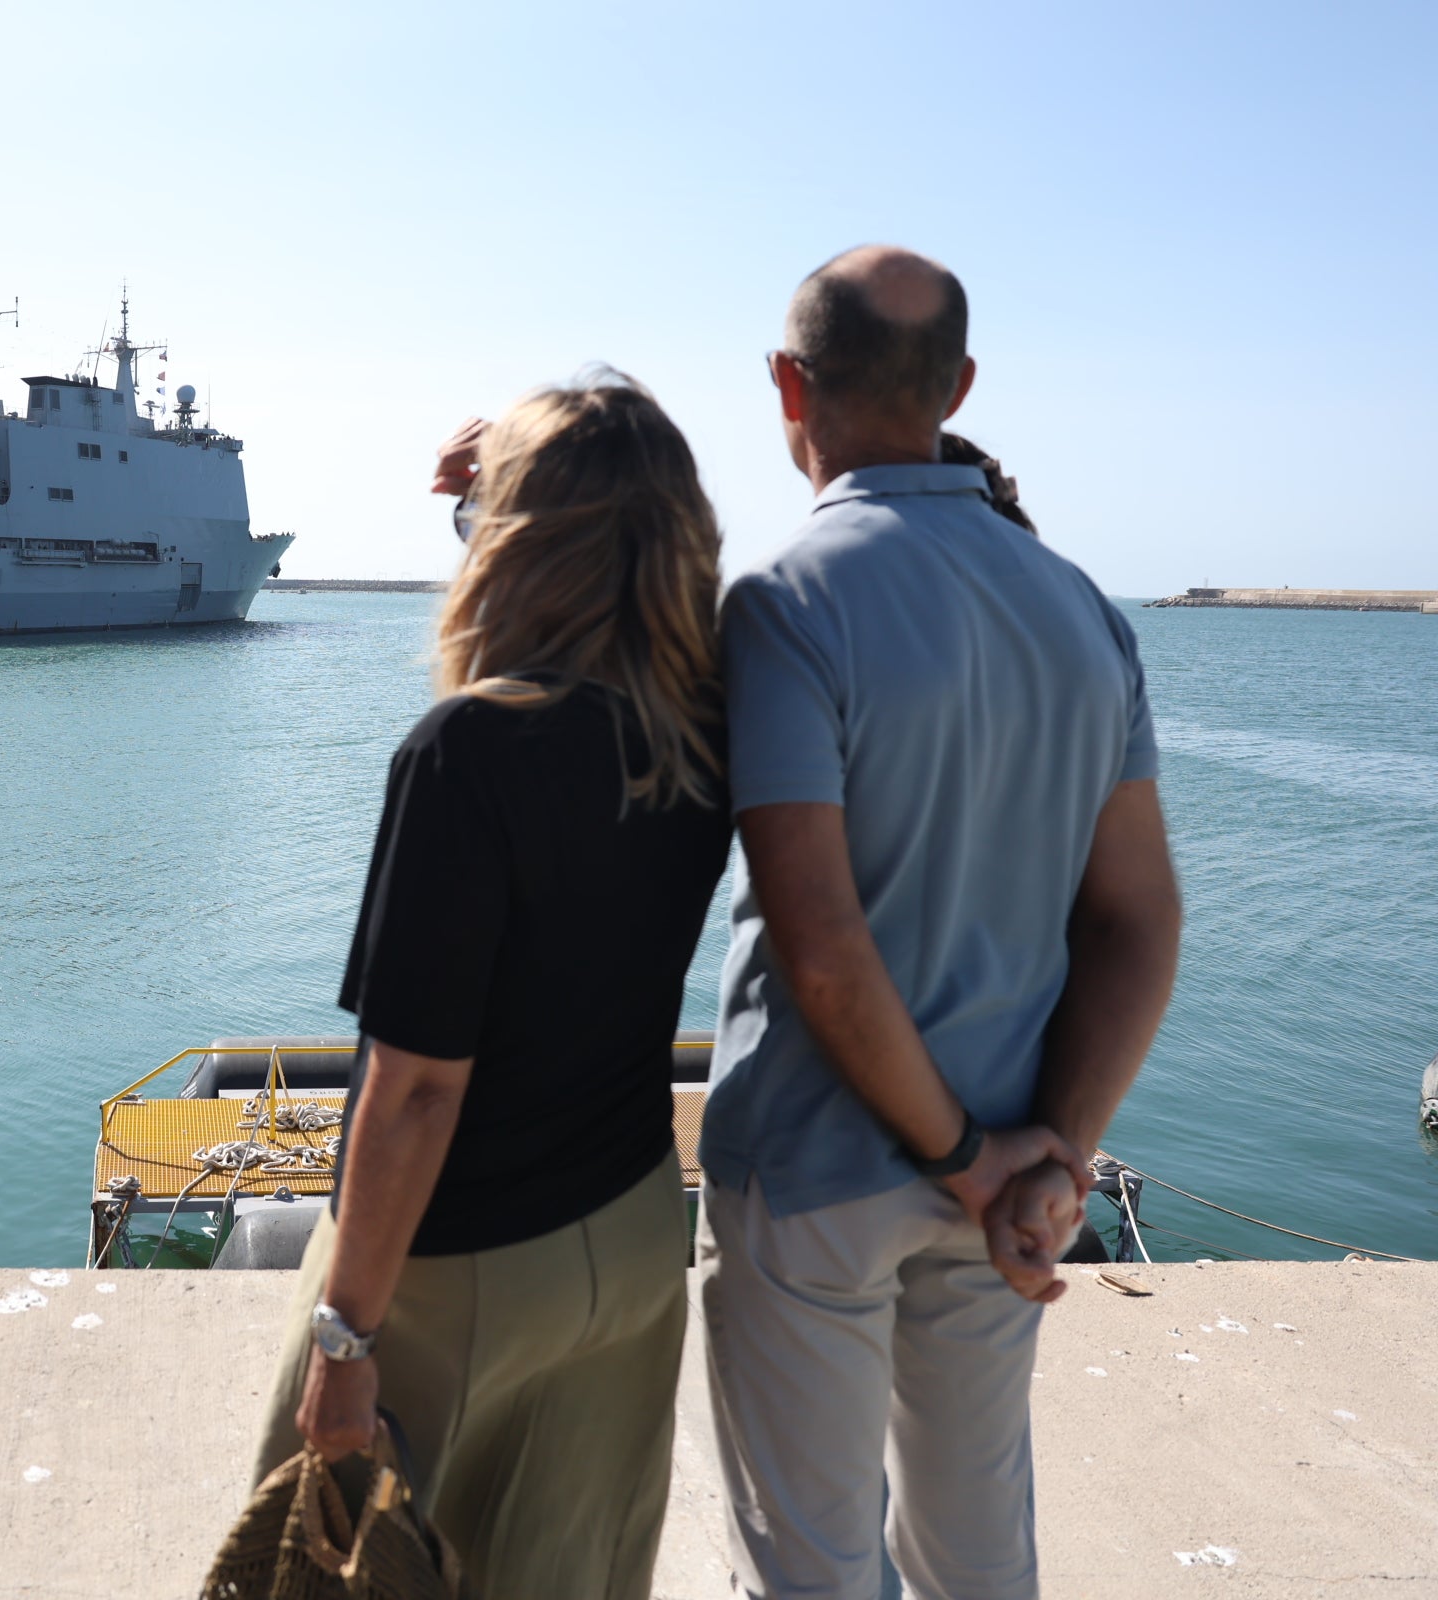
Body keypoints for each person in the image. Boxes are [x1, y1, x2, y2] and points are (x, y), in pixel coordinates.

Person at [703, 246, 1182, 1598]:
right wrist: (1047, 1161)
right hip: (1008, 1182)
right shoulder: (1084, 614)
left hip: (814, 1175)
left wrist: (967, 1155)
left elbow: (823, 950)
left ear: (788, 385)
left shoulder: (788, 603)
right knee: (978, 1562)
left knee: (811, 1569)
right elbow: (1141, 925)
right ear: (960, 384)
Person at [249, 371, 732, 1599]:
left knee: (322, 1559)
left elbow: (412, 1092)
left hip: (452, 1266)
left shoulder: (466, 750)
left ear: (517, 543)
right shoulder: (703, 733)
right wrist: (495, 496)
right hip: (627, 1241)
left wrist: (347, 1334)